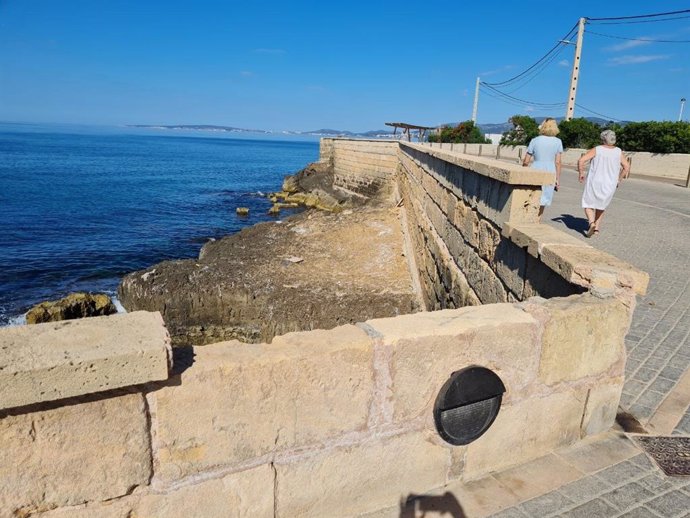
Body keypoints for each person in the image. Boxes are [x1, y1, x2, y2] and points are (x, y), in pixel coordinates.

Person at [578, 129, 630, 237]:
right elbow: (626, 167)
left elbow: (581, 160)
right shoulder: (618, 151)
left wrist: (581, 173)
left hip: (595, 181)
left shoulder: (597, 149)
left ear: (603, 139)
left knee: (588, 203)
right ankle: (596, 229)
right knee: (601, 205)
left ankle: (591, 223)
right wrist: (618, 179)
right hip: (610, 183)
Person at [522, 118, 563, 221]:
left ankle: (527, 219)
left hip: (535, 169)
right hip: (550, 171)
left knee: (531, 196)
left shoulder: (535, 140)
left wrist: (523, 170)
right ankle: (537, 220)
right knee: (543, 199)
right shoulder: (558, 142)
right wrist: (557, 179)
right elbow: (558, 162)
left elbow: (526, 161)